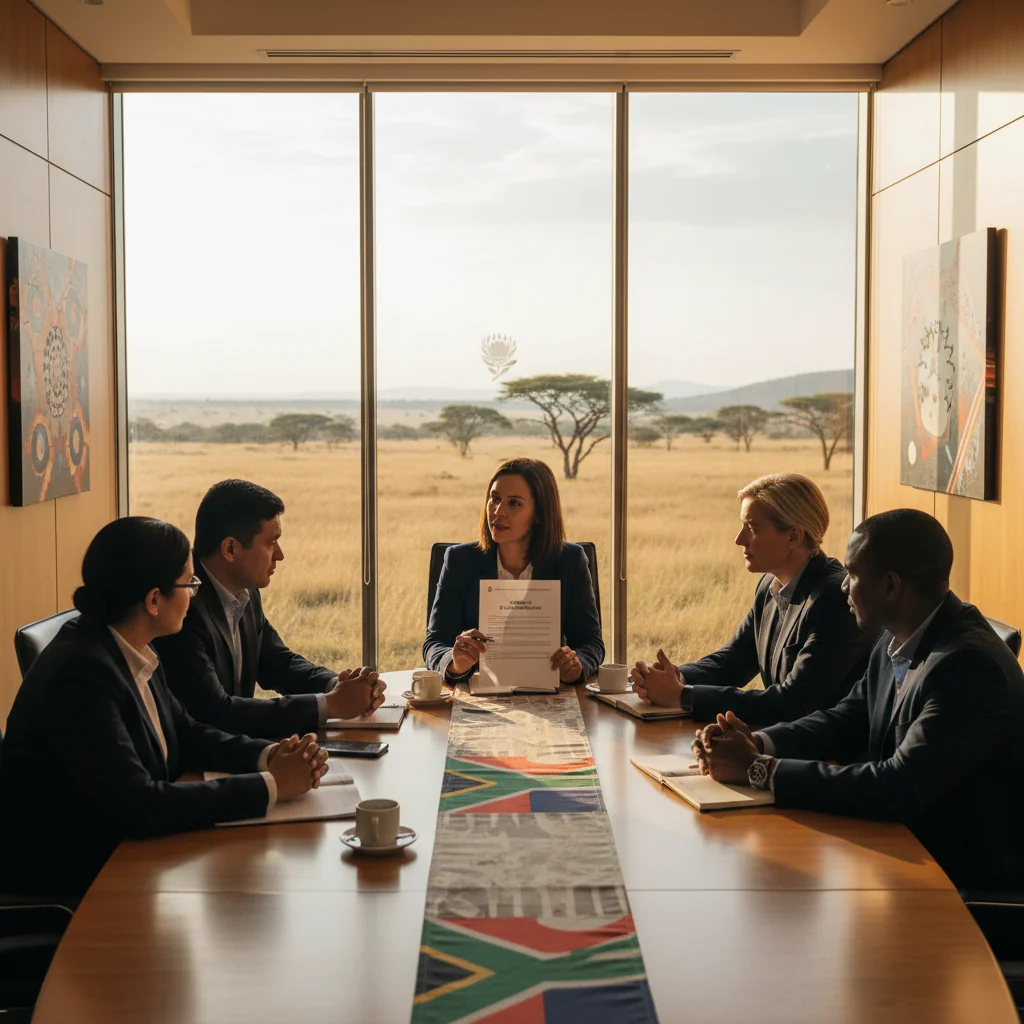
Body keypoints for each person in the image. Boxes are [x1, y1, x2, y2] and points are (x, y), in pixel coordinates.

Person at [694, 509, 1024, 890]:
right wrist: (758, 743)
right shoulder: (899, 632)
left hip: (960, 881)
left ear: (889, 586)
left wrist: (759, 769)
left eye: (852, 575)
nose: (842, 587)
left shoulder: (968, 666)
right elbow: (848, 717)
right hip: (903, 850)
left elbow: (897, 788)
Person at [0, 517, 329, 898]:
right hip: (74, 880)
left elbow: (186, 734)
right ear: (154, 599)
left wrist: (269, 755)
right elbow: (139, 806)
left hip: (127, 857)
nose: (195, 594)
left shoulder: (132, 645)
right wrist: (270, 786)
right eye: (189, 583)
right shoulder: (81, 675)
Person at [629, 474, 874, 724]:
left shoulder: (835, 599)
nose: (739, 539)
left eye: (752, 529)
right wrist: (677, 677)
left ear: (794, 536)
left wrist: (683, 697)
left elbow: (793, 703)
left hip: (828, 755)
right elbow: (734, 660)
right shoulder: (770, 583)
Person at [154, 480, 384, 739]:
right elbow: (215, 712)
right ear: (231, 548)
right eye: (271, 542)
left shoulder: (246, 592)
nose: (280, 554)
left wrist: (336, 684)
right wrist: (332, 704)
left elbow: (276, 662)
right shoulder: (181, 607)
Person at [423, 457, 604, 684]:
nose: (498, 512)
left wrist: (576, 666)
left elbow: (591, 644)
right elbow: (434, 643)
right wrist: (455, 662)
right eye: (495, 499)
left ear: (539, 513)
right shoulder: (460, 560)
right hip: (477, 694)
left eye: (514, 503)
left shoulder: (570, 560)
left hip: (549, 693)